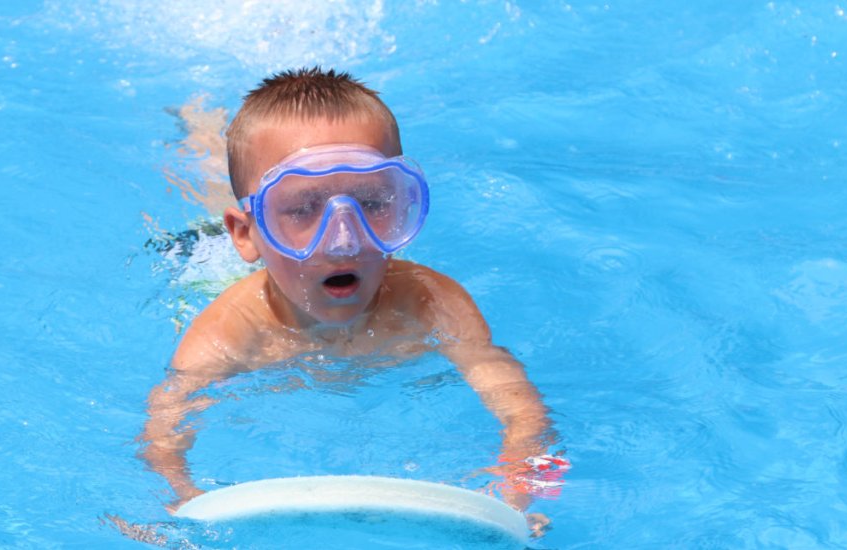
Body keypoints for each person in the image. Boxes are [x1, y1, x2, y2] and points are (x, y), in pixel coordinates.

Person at [138, 67, 563, 529]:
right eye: (302, 209)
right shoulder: (228, 332)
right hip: (210, 270)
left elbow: (526, 416)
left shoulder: (432, 303)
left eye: (374, 203)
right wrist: (180, 506)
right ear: (246, 234)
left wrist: (519, 496)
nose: (344, 240)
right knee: (206, 189)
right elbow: (162, 438)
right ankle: (201, 126)